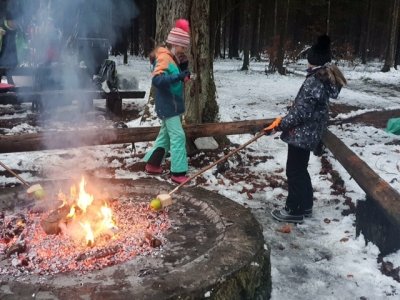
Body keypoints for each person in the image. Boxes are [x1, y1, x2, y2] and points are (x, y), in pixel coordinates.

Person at [267, 34, 347, 224]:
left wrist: (281, 124)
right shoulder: (323, 78)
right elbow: (307, 108)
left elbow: (301, 113)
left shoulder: (314, 81)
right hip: (309, 133)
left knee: (294, 171)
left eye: (309, 58)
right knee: (300, 170)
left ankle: (294, 210)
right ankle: (306, 205)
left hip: (301, 134)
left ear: (314, 61)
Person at [144, 19, 192, 184]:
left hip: (172, 104)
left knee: (165, 136)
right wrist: (178, 75)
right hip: (168, 105)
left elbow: (176, 79)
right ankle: (178, 173)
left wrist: (183, 69)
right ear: (175, 44)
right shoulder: (165, 58)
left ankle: (153, 164)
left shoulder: (172, 58)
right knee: (178, 136)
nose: (183, 50)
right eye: (182, 47)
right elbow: (157, 80)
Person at [0, 11, 19, 84]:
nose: (15, 23)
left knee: (11, 81)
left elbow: (22, 46)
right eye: (13, 21)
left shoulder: (18, 30)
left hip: (12, 63)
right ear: (8, 21)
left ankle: (11, 93)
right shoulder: (1, 28)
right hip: (1, 62)